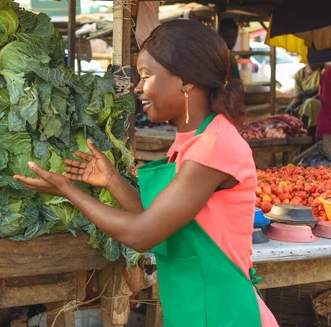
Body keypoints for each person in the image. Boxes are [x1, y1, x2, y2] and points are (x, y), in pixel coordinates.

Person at [14, 20, 278, 327]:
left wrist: (69, 191)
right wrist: (111, 180)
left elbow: (142, 234)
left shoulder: (214, 147)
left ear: (186, 81)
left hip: (224, 314)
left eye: (146, 76)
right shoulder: (191, 142)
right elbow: (159, 218)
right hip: (194, 310)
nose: (138, 88)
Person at [287, 63, 323, 136]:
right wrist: (291, 106)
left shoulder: (322, 71)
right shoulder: (299, 74)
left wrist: (303, 106)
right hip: (304, 101)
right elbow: (297, 97)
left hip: (319, 102)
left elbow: (320, 94)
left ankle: (310, 131)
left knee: (310, 103)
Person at [316, 62, 331, 139]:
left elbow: (320, 95)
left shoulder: (326, 72)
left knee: (324, 150)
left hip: (324, 128)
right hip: (326, 131)